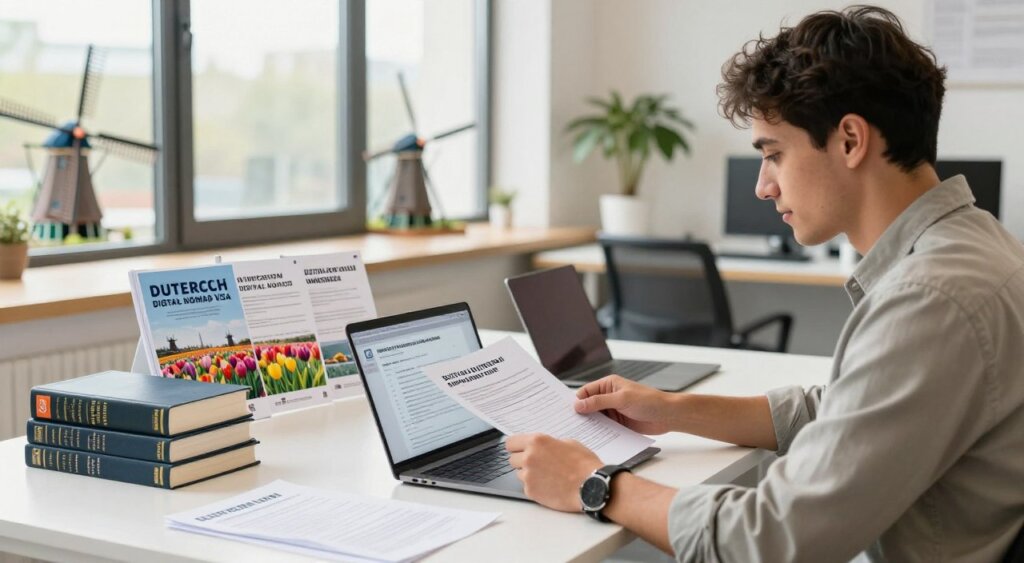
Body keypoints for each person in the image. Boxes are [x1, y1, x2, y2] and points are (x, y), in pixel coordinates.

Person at [505, 6, 1024, 562]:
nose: (762, 187)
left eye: (774, 154)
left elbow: (774, 540)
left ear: (850, 140)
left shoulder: (930, 299)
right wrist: (673, 409)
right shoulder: (977, 244)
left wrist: (596, 482)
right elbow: (848, 410)